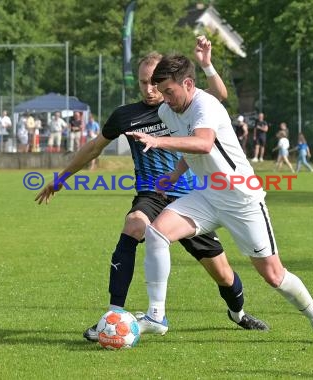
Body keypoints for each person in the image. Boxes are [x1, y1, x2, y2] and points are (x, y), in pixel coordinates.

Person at [35, 36, 269, 343]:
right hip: (151, 195)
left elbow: (220, 95)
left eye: (154, 84)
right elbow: (93, 148)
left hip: (191, 198)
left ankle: (237, 313)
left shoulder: (183, 108)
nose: (149, 90)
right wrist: (61, 178)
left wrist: (207, 63)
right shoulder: (126, 115)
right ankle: (113, 316)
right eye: (143, 83)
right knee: (134, 225)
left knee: (223, 274)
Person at [127, 53, 313, 345]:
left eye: (169, 91)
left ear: (189, 84)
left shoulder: (206, 105)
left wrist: (159, 141)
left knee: (274, 276)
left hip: (241, 198)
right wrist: (176, 175)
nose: (165, 99)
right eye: (162, 92)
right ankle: (156, 316)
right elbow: (191, 150)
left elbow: (204, 143)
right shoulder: (169, 112)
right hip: (207, 194)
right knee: (157, 233)